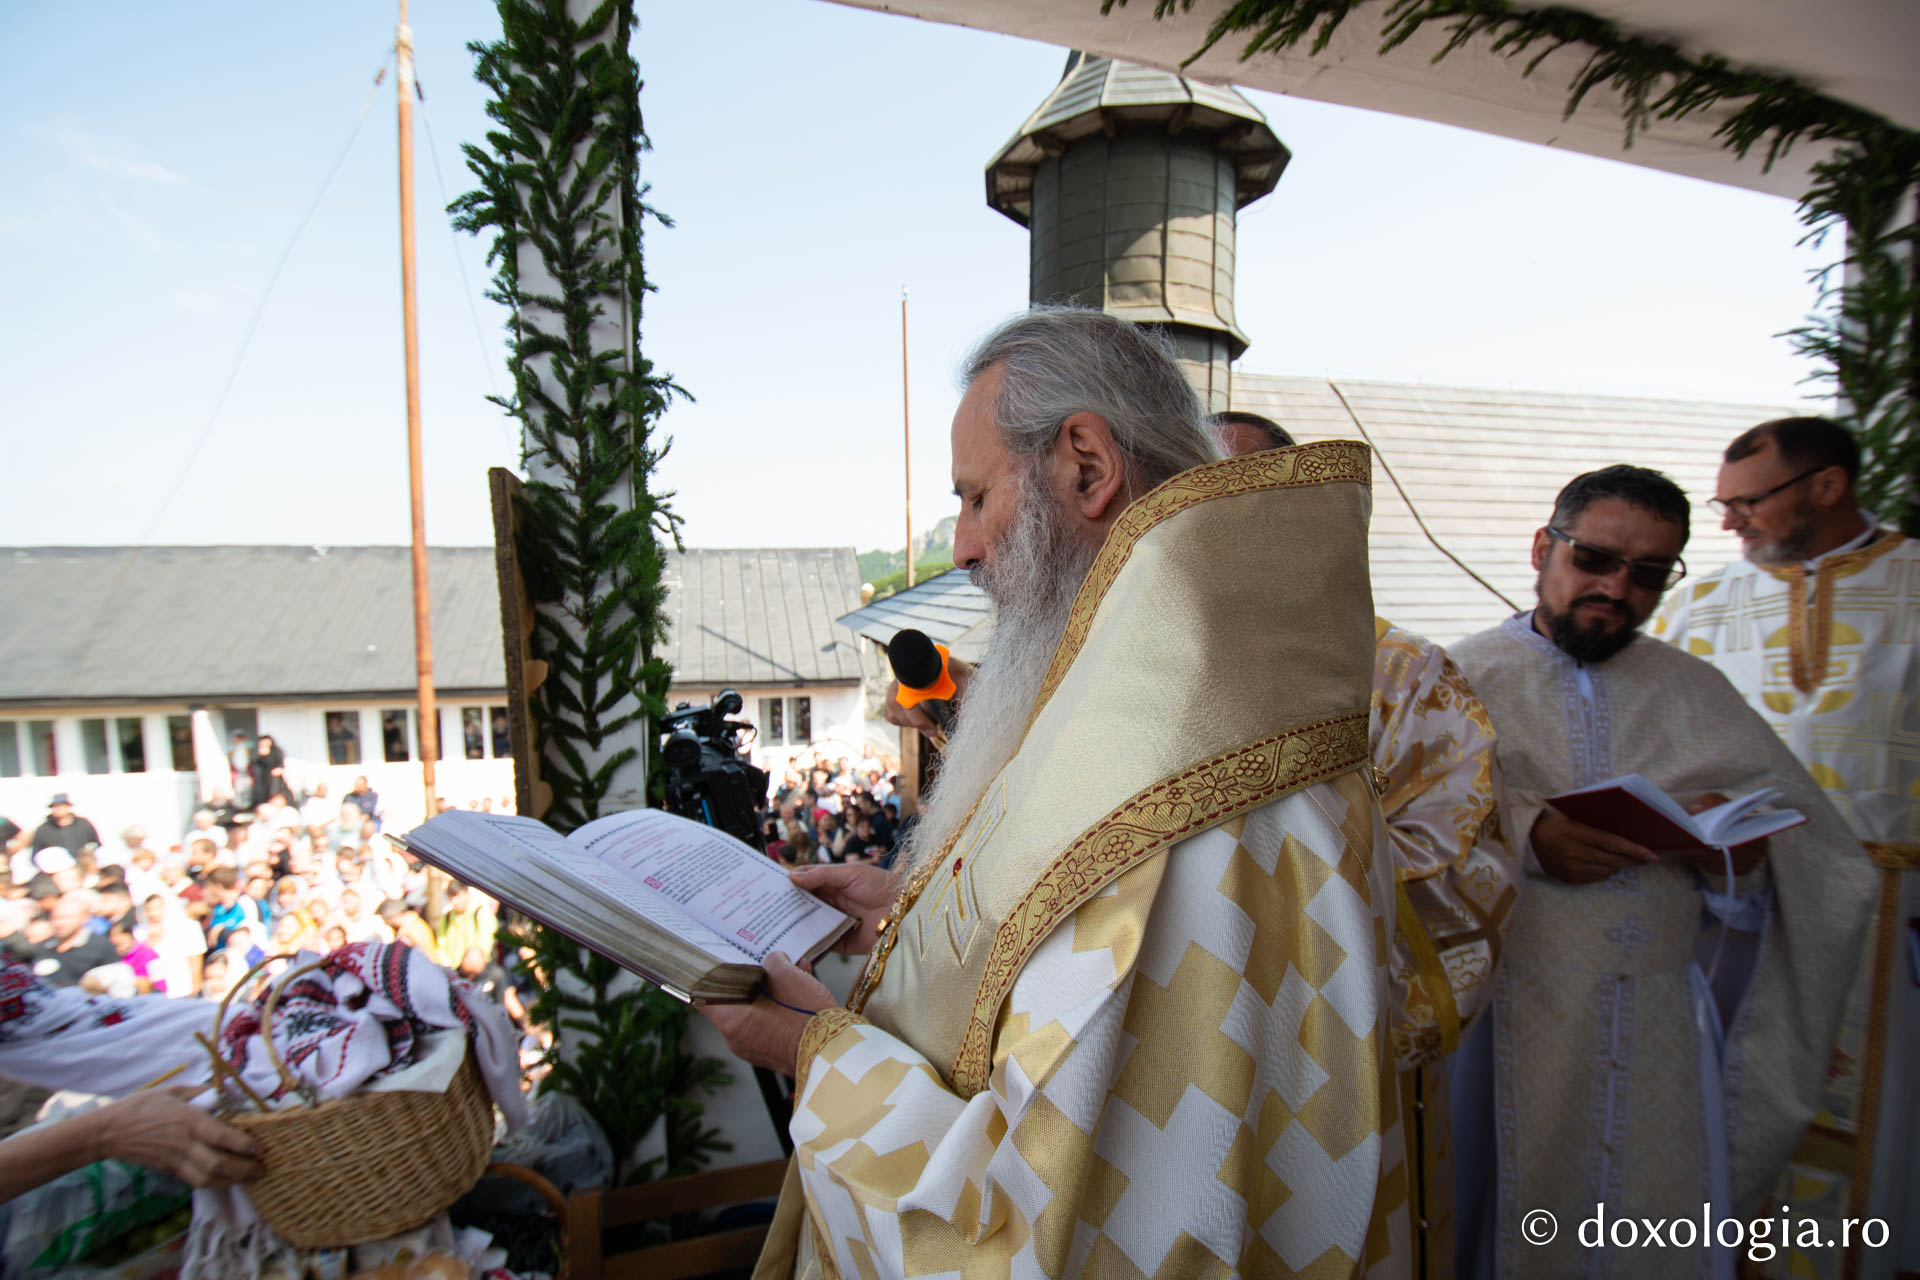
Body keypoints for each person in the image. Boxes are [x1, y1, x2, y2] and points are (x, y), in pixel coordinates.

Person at [706, 308, 1407, 1277]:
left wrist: (815, 1054)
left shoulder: (1170, 791)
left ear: (1085, 462)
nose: (961, 544)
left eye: (976, 495)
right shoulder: (1177, 713)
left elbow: (1042, 1230)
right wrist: (905, 913)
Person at [1447, 464, 1877, 1279]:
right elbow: (1390, 823)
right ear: (1544, 548)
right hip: (1505, 1016)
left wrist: (1741, 858)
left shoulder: (1696, 691)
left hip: (1660, 1021)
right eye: (1596, 561)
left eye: (1649, 574)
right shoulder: (1452, 679)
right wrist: (1531, 835)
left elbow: (1816, 859)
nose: (1618, 589)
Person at [1652, 417, 1920, 1277]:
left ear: (1828, 486)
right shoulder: (1699, 604)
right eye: (1721, 504)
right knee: (1744, 1095)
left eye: (1747, 502)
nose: (1728, 523)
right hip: (1746, 901)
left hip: (1897, 914)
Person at [30, 794, 100, 857]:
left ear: (68, 806)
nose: (58, 809)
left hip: (83, 866)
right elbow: (36, 856)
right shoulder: (43, 830)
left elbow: (97, 845)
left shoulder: (83, 824)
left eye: (61, 805)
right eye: (55, 806)